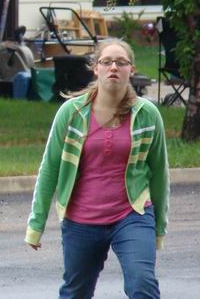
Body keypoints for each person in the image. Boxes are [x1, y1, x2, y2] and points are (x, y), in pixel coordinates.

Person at [25, 38, 169, 299]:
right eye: (107, 62)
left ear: (132, 70)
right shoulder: (71, 113)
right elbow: (50, 169)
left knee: (142, 285)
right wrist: (36, 225)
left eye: (121, 62)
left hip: (132, 214)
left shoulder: (148, 114)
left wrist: (159, 227)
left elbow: (159, 173)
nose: (114, 67)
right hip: (81, 218)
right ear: (96, 68)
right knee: (76, 292)